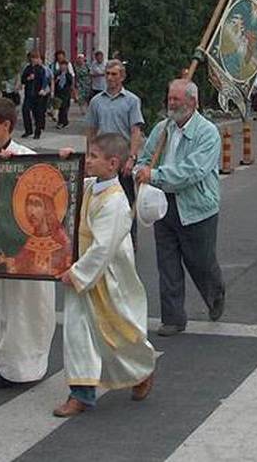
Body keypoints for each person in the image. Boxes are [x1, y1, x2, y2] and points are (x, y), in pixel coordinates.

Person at [54, 133, 157, 417]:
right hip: (83, 275)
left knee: (118, 335)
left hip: (107, 280)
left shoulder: (115, 203)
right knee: (77, 333)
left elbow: (102, 249)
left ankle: (140, 371)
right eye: (87, 155)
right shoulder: (91, 187)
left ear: (112, 163)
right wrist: (64, 163)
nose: (87, 161)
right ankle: (81, 393)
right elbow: (67, 184)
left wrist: (77, 274)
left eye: (93, 157)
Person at [0, 97, 56, 391]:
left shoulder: (27, 159)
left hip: (18, 246)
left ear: (6, 125)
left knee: (18, 310)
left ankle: (16, 367)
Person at [134, 79, 224, 336]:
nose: (171, 104)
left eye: (176, 99)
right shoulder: (162, 129)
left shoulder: (207, 133)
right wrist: (140, 170)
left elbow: (192, 172)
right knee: (167, 263)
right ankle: (173, 318)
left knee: (201, 262)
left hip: (197, 207)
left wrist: (154, 175)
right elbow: (145, 159)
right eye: (170, 98)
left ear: (192, 102)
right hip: (163, 204)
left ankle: (215, 293)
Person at [86, 60, 146, 234]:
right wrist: (89, 157)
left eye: (114, 74)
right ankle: (103, 236)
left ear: (122, 77)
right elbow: (91, 131)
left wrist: (132, 157)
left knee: (126, 201)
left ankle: (129, 238)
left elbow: (135, 131)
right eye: (107, 74)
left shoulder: (132, 101)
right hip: (102, 160)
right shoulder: (96, 102)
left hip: (122, 160)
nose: (110, 77)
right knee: (101, 200)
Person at [20, 51, 50, 139]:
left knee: (37, 114)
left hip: (38, 95)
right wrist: (28, 78)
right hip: (29, 94)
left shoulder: (41, 69)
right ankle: (28, 130)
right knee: (25, 111)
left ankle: (37, 132)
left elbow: (45, 80)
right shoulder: (28, 68)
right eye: (33, 58)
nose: (34, 60)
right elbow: (23, 80)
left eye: (36, 58)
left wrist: (43, 89)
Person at [51, 50, 75, 129]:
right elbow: (53, 81)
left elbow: (71, 80)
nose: (62, 67)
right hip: (58, 92)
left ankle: (63, 122)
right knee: (59, 106)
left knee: (64, 107)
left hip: (66, 92)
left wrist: (73, 89)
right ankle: (61, 121)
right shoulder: (57, 72)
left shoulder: (68, 74)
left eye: (64, 66)